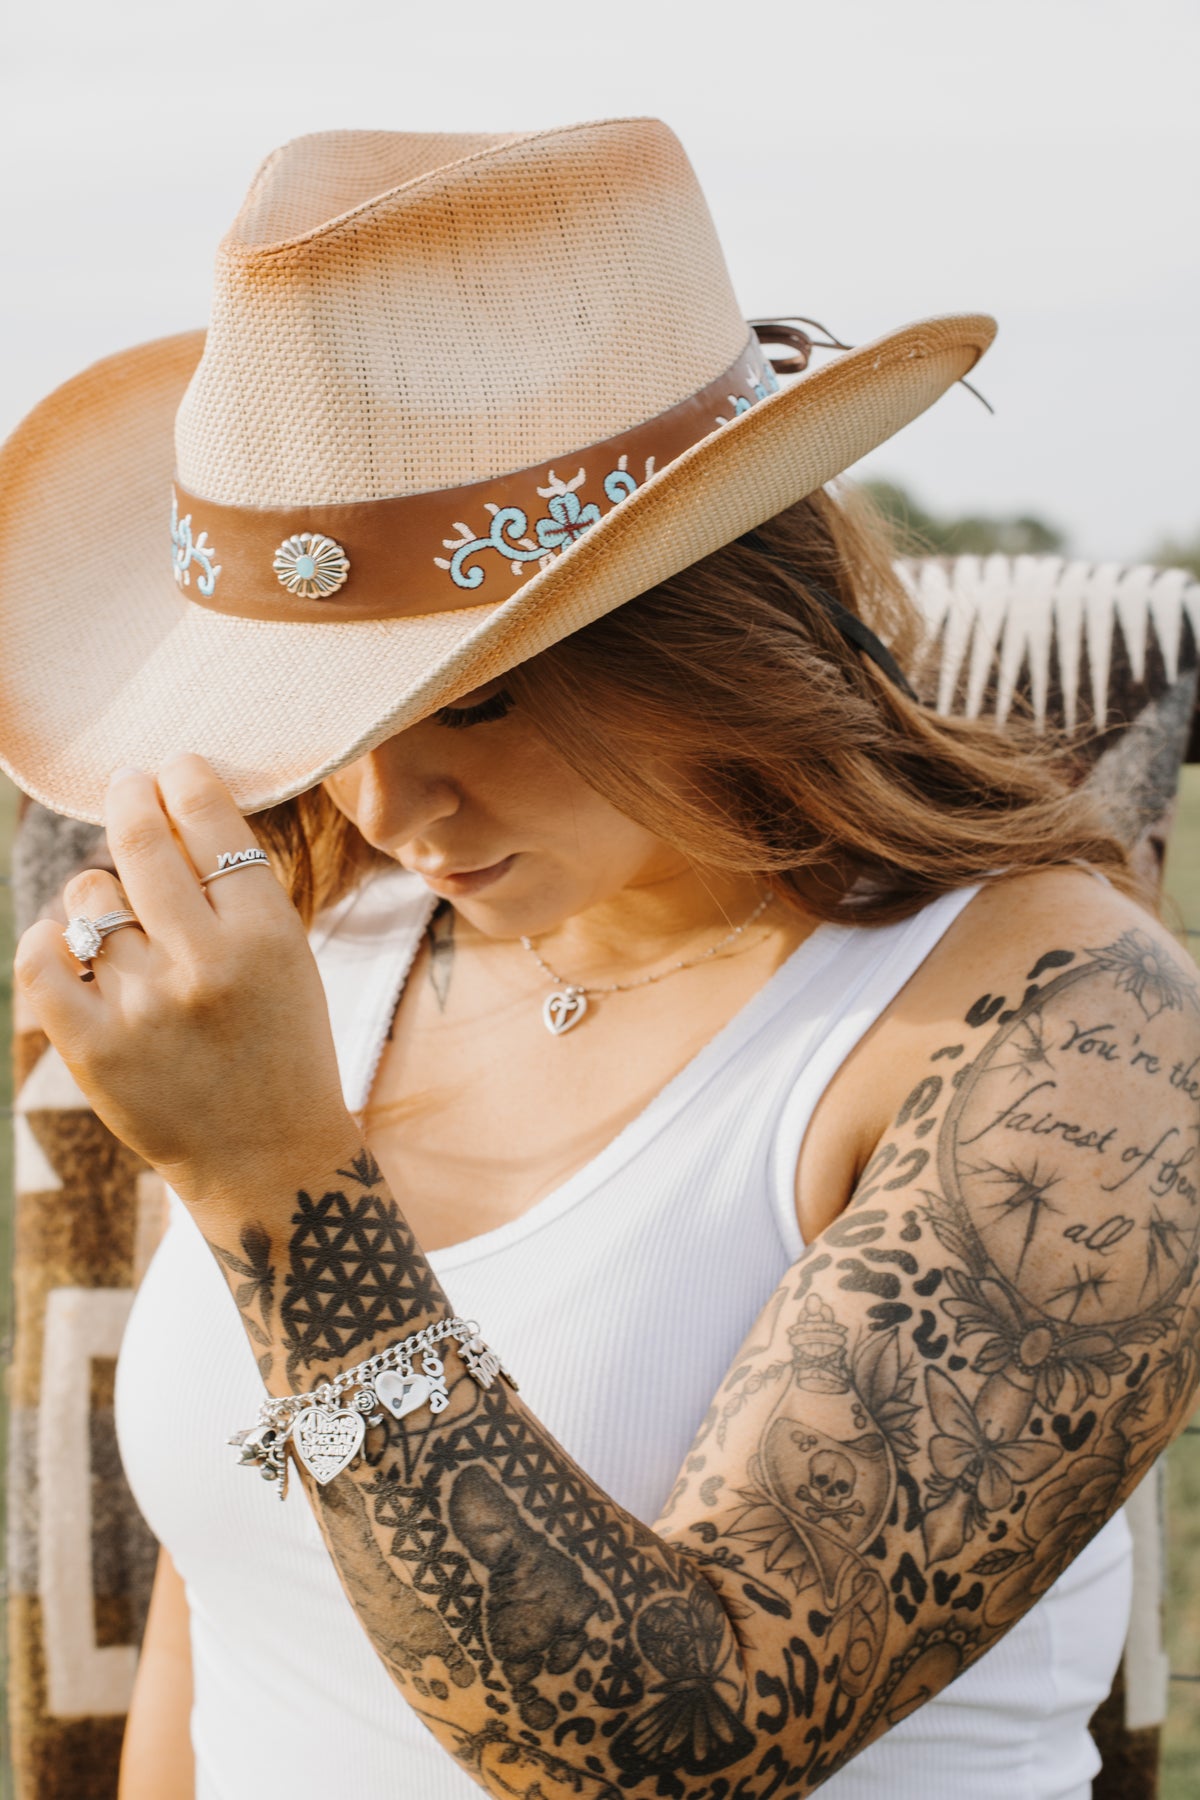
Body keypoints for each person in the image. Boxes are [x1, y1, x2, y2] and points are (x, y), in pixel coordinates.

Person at [2, 117, 1197, 1800]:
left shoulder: (1076, 1041)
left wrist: (281, 1193)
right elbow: (231, 1615)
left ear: (717, 631)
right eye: (319, 716)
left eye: (476, 698)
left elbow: (680, 1750)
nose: (386, 803)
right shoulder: (311, 947)